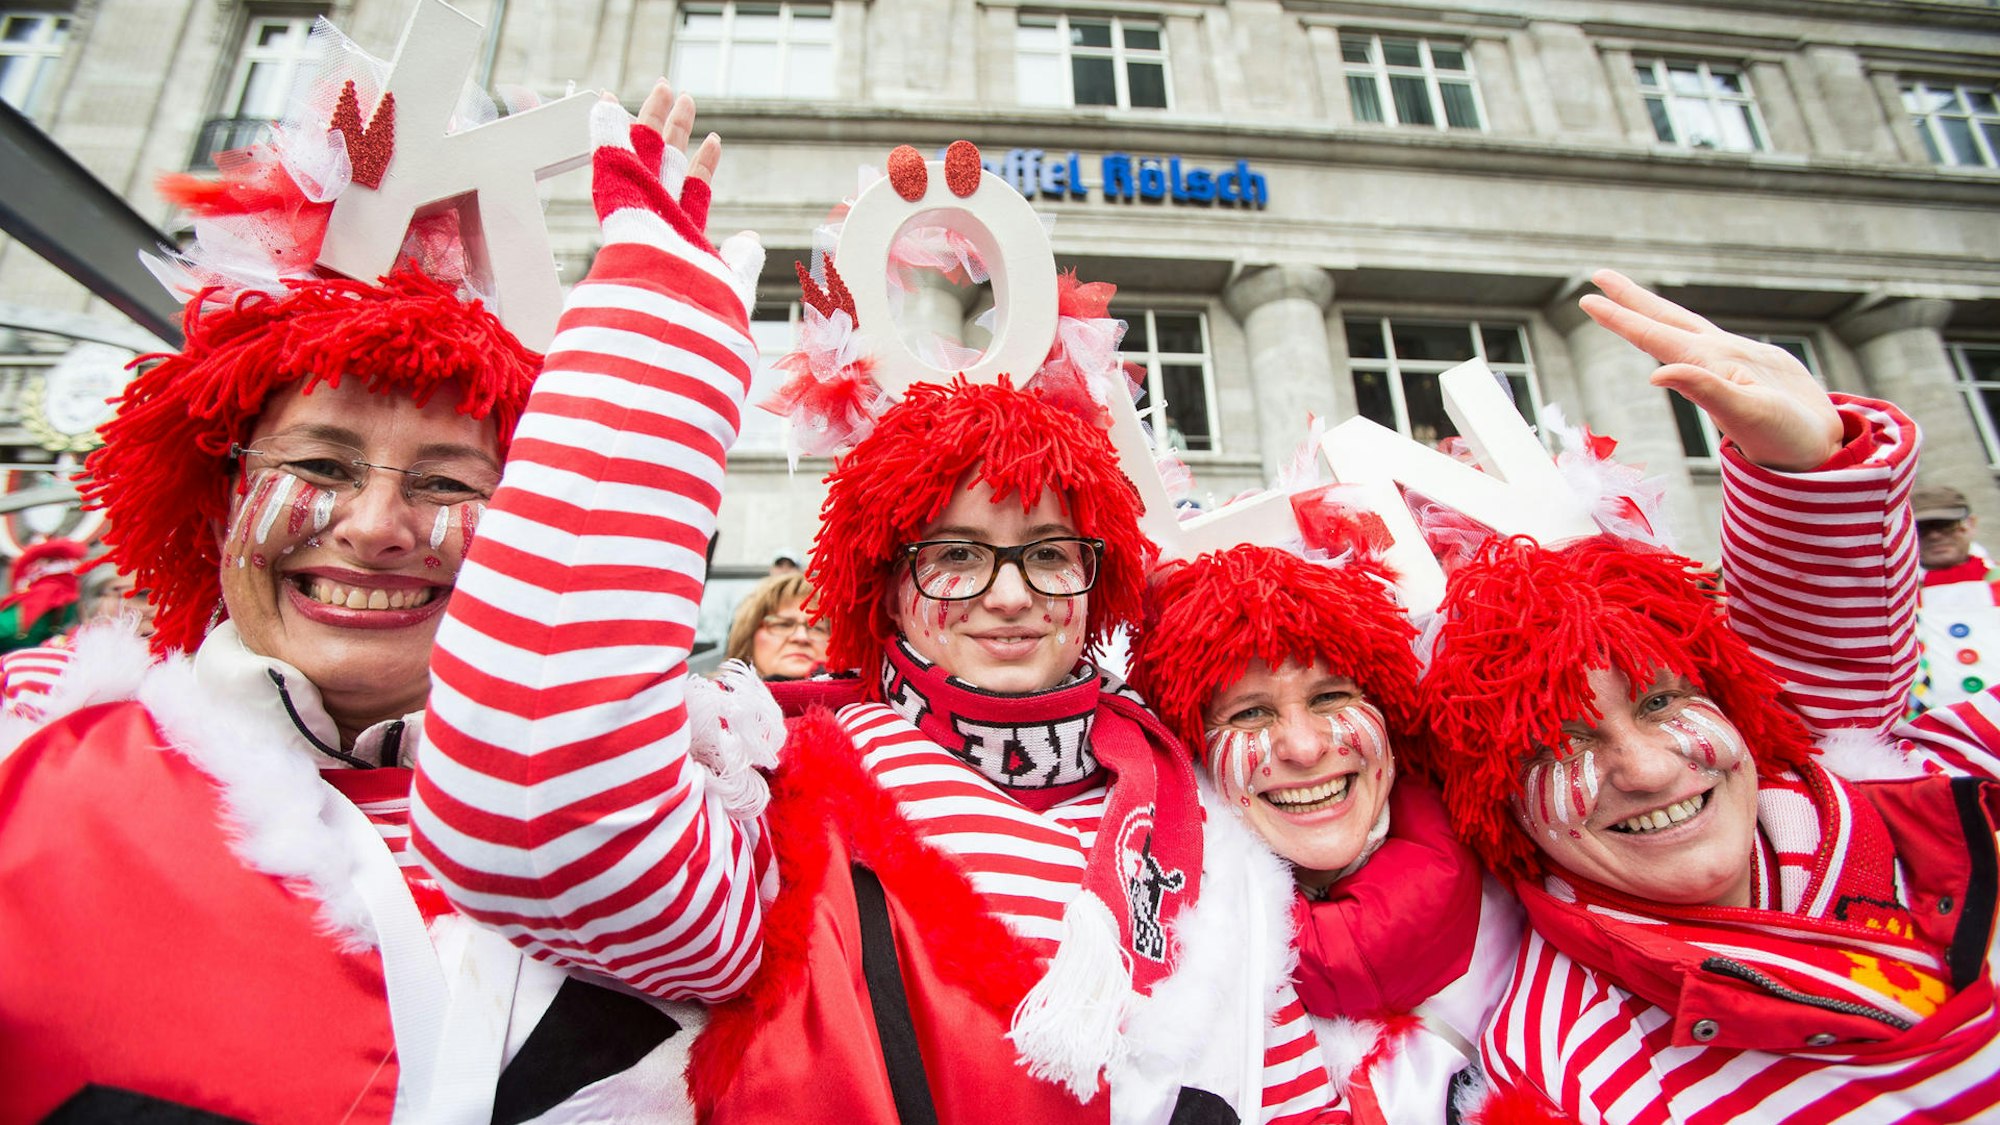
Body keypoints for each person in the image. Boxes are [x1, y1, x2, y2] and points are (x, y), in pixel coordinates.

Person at [413, 106, 1344, 1122]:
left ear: (1097, 577)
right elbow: (540, 811)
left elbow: (1291, 1090)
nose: (1006, 593)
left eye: (1047, 555)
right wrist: (650, 337)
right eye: (951, 555)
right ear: (881, 585)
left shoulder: (1207, 814)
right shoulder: (780, 792)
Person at [0, 41, 698, 1125]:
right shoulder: (25, 769)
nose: (376, 528)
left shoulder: (681, 828)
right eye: (319, 466)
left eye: (446, 480)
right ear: (220, 496)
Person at [1419, 277, 2000, 1122]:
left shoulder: (1946, 774)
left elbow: (1827, 667)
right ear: (1494, 801)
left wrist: (1809, 472)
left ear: (1733, 703)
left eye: (1659, 701)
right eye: (1561, 741)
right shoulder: (1566, 1074)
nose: (1649, 768)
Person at [1128, 541, 1519, 1124]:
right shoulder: (1161, 970)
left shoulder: (1527, 882)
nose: (1306, 748)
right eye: (1250, 713)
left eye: (1331, 696)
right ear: (1195, 752)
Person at [1909, 484, 2000, 713]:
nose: (1935, 535)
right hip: (1937, 734)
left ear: (1970, 524)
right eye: (1923, 528)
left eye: (1946, 525)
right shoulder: (1898, 603)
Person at [724, 571, 829, 679]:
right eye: (783, 625)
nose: (801, 637)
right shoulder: (711, 694)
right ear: (748, 637)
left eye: (817, 628)